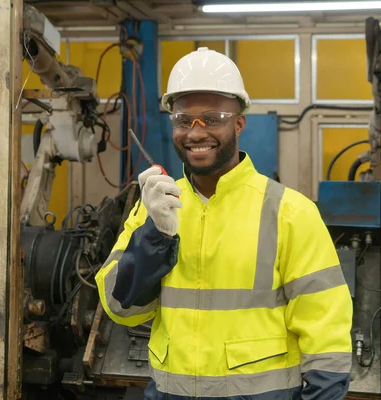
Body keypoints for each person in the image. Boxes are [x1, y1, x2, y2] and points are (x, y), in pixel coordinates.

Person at [95, 47, 353, 399]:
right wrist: (155, 236)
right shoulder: (156, 208)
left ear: (239, 122)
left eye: (213, 118)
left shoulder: (290, 212)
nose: (196, 133)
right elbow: (120, 309)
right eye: (184, 120)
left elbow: (327, 339)